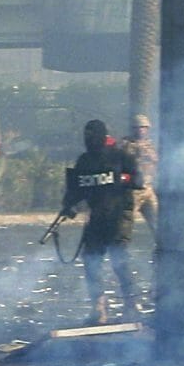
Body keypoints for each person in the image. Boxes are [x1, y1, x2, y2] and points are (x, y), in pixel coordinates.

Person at [60, 118, 141, 324]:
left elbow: (137, 180)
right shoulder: (85, 161)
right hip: (97, 217)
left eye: (92, 136)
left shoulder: (120, 156)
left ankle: (131, 306)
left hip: (120, 215)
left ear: (103, 136)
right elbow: (76, 189)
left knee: (119, 259)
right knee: (91, 261)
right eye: (86, 136)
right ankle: (99, 308)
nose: (89, 140)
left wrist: (119, 179)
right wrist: (69, 206)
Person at [121, 112, 160, 226]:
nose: (141, 130)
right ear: (133, 129)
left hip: (148, 189)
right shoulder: (126, 143)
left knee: (158, 223)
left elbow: (157, 161)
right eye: (138, 127)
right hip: (132, 190)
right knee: (125, 223)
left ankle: (164, 243)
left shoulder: (151, 145)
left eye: (143, 127)